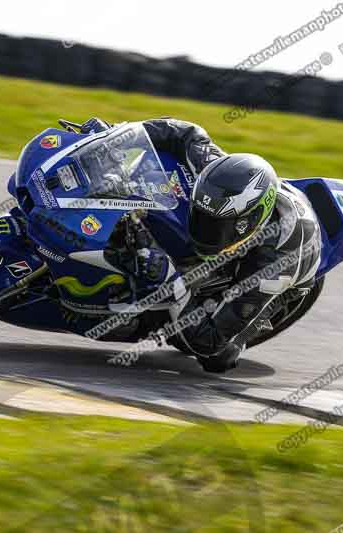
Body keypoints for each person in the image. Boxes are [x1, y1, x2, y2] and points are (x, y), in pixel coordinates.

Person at [81, 117, 322, 373]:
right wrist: (114, 138)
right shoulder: (212, 170)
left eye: (218, 225)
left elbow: (208, 341)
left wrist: (170, 279)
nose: (205, 230)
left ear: (248, 224)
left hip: (280, 278)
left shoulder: (272, 265)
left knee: (218, 357)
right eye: (202, 217)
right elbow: (183, 131)